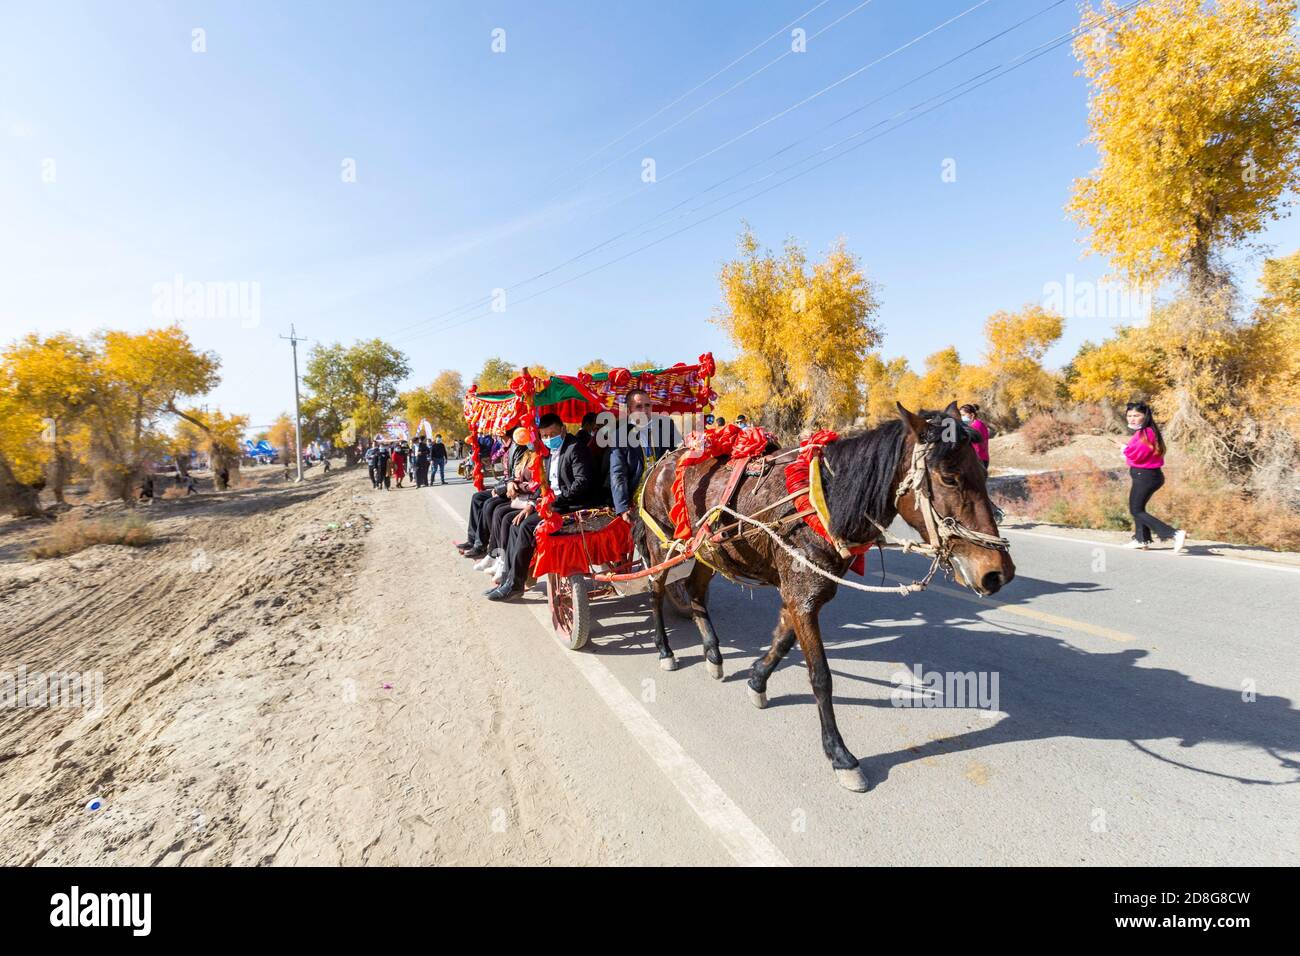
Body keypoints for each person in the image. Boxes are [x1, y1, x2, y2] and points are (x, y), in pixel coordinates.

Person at [486, 414, 595, 601]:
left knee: (527, 526)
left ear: (563, 430)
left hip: (572, 502)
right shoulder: (546, 453)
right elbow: (544, 483)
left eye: (552, 434)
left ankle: (515, 584)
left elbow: (582, 482)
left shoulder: (575, 448)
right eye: (544, 435)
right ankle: (508, 580)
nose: (548, 439)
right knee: (514, 523)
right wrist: (531, 504)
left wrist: (551, 502)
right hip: (551, 501)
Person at [1117, 402, 1185, 553]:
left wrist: (1124, 450)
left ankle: (1173, 533)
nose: (1132, 419)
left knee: (1136, 510)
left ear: (1145, 416)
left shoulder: (1146, 434)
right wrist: (1127, 449)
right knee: (1138, 508)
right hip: (1148, 475)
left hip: (1145, 476)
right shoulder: (1146, 431)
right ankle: (1141, 539)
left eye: (1136, 415)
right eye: (1129, 416)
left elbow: (1137, 454)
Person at [458, 428, 530, 557]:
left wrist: (499, 489)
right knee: (477, 497)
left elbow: (516, 477)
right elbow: (508, 475)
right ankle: (472, 539)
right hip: (508, 486)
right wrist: (498, 487)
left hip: (517, 491)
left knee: (490, 505)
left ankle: (482, 546)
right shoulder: (508, 449)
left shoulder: (520, 449)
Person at [610, 388, 679, 520]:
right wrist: (623, 507)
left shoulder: (666, 425)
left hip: (667, 488)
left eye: (647, 405)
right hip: (638, 494)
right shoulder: (619, 435)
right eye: (638, 406)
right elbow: (618, 473)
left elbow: (677, 455)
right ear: (629, 410)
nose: (644, 410)